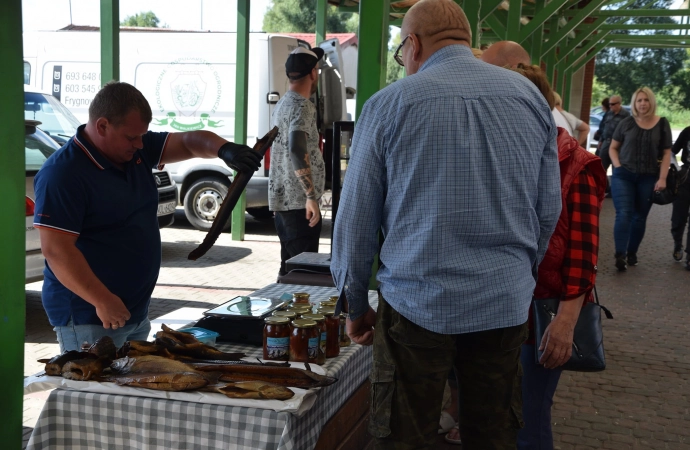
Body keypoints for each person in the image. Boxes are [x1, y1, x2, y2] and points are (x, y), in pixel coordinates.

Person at [330, 2, 562, 448]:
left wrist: (355, 302)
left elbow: (356, 217)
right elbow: (547, 208)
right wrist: (517, 275)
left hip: (417, 304)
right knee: (491, 435)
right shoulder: (529, 98)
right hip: (502, 304)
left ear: (413, 45)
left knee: (403, 435)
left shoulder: (390, 104)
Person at [33, 81, 262, 352]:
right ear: (102, 126)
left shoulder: (136, 150)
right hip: (91, 315)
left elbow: (189, 142)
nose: (140, 144)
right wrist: (102, 299)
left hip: (134, 310)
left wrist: (225, 150)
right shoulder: (63, 174)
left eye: (143, 135)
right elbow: (57, 251)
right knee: (96, 391)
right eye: (132, 137)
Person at [504, 64, 607, 450]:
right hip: (504, 308)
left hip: (543, 314)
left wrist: (564, 324)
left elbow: (583, 254)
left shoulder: (575, 164)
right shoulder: (509, 156)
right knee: (504, 414)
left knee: (529, 416)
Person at [268, 47, 326, 278]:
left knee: (289, 270)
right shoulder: (303, 106)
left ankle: (281, 311)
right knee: (303, 275)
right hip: (300, 205)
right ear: (313, 73)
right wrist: (311, 196)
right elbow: (296, 148)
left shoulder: (283, 104)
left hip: (284, 203)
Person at [609, 87, 672, 271]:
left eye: (645, 100)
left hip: (649, 177)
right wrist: (617, 166)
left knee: (639, 217)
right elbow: (613, 147)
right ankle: (620, 254)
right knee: (624, 213)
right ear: (634, 103)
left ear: (651, 102)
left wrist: (662, 178)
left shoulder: (662, 124)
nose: (642, 103)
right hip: (624, 175)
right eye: (639, 100)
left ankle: (631, 253)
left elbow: (667, 152)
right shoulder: (626, 123)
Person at [670, 126, 690, 267]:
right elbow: (672, 152)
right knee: (679, 216)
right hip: (685, 178)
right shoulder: (687, 131)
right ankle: (678, 243)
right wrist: (676, 169)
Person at [596, 94, 630, 174]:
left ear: (618, 104)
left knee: (616, 166)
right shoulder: (608, 113)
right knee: (601, 166)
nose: (610, 106)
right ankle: (602, 184)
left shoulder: (626, 115)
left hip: (618, 145)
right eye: (609, 104)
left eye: (612, 104)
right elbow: (604, 127)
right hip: (606, 142)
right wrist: (601, 140)